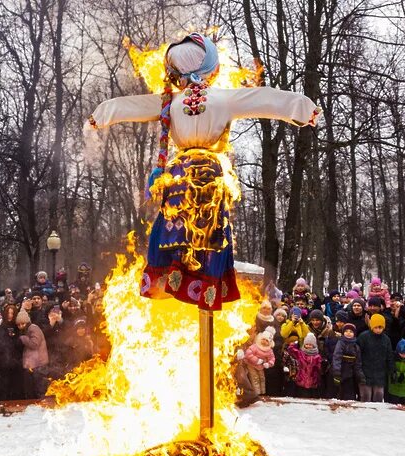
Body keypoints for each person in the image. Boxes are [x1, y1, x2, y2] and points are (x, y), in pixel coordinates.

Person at [90, 33, 319, 311]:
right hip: (207, 177)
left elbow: (131, 105)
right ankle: (204, 282)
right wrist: (304, 109)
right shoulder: (221, 98)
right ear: (211, 66)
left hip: (178, 177)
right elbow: (263, 98)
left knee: (175, 233)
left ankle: (175, 277)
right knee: (210, 236)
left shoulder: (170, 102)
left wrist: (100, 116)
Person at [356, 313, 392, 402]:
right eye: (376, 327)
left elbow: (389, 356)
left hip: (380, 373)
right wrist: (359, 371)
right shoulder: (363, 337)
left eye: (380, 327)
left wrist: (391, 370)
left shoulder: (386, 339)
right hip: (365, 372)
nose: (378, 330)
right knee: (365, 397)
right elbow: (358, 354)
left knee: (379, 396)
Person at [17, 309, 49, 399]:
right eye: (19, 325)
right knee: (31, 391)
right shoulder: (27, 330)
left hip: (39, 365)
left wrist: (23, 338)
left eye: (22, 324)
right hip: (33, 365)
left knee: (40, 391)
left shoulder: (33, 328)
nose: (20, 326)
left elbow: (34, 344)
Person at [285, 332, 323, 398]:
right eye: (306, 344)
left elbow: (319, 368)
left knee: (311, 399)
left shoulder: (317, 356)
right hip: (301, 381)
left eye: (310, 345)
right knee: (302, 397)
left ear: (314, 345)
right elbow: (290, 349)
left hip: (312, 382)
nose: (308, 346)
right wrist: (295, 343)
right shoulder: (300, 354)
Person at [332, 323, 364, 401]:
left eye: (351, 331)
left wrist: (360, 375)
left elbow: (358, 363)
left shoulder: (356, 347)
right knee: (339, 394)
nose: (348, 333)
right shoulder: (341, 343)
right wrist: (336, 372)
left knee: (350, 395)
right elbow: (337, 357)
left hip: (350, 374)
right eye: (346, 331)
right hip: (340, 372)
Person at [243, 327, 276, 397]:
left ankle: (262, 392)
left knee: (262, 378)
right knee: (255, 378)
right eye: (263, 339)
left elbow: (272, 358)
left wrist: (269, 364)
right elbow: (248, 354)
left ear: (269, 342)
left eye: (267, 340)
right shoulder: (255, 346)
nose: (264, 341)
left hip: (260, 367)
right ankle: (257, 393)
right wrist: (256, 360)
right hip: (251, 365)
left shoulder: (269, 350)